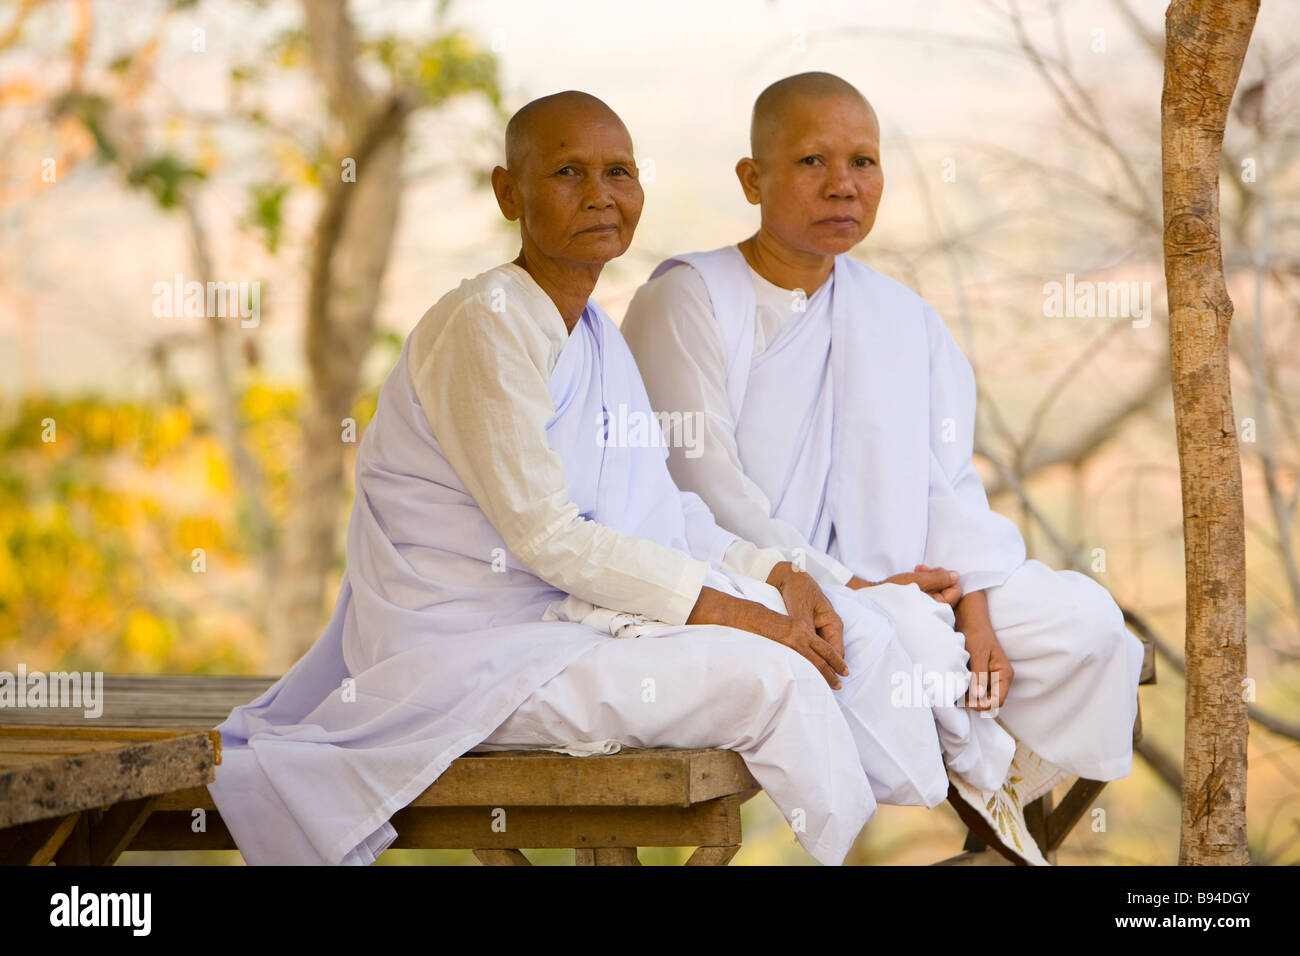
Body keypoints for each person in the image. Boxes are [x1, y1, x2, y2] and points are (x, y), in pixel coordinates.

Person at [207, 90, 964, 867]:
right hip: (464, 653)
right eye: (568, 172)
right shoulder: (487, 323)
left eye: (619, 172)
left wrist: (783, 576)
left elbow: (661, 513)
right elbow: (550, 539)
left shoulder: (597, 335)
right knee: (773, 674)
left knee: (838, 630)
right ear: (511, 193)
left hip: (565, 630)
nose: (601, 195)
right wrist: (750, 618)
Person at [621, 72, 1146, 863]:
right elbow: (701, 490)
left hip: (910, 580)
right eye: (811, 162)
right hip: (759, 587)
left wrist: (976, 606)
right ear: (752, 178)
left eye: (863, 162)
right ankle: (992, 806)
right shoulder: (690, 300)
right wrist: (852, 589)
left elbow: (947, 484)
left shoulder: (901, 316)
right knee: (910, 646)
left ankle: (1009, 790)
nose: (843, 186)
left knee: (1085, 626)